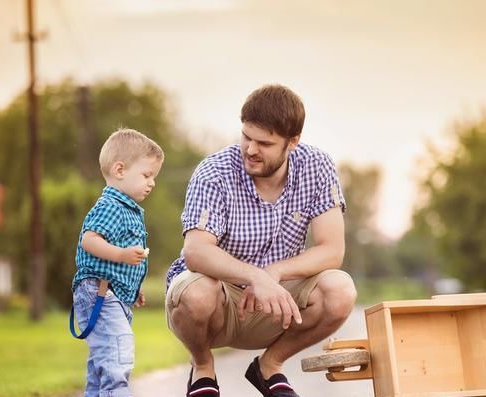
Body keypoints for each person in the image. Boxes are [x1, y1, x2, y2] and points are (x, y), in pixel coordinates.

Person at [165, 84, 357, 397]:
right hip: (220, 302)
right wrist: (255, 275)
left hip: (276, 302)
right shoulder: (213, 172)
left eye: (264, 143)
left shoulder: (318, 167)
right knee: (198, 292)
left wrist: (274, 274)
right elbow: (196, 252)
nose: (251, 149)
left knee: (340, 290)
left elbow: (332, 250)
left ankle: (269, 366)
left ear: (292, 142)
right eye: (246, 137)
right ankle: (202, 369)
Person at [71, 128, 164, 397]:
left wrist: (133, 288)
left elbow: (118, 260)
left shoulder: (126, 207)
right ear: (120, 170)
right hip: (99, 292)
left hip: (110, 292)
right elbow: (89, 240)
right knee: (117, 359)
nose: (152, 182)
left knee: (102, 365)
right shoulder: (112, 205)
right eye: (147, 175)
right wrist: (122, 255)